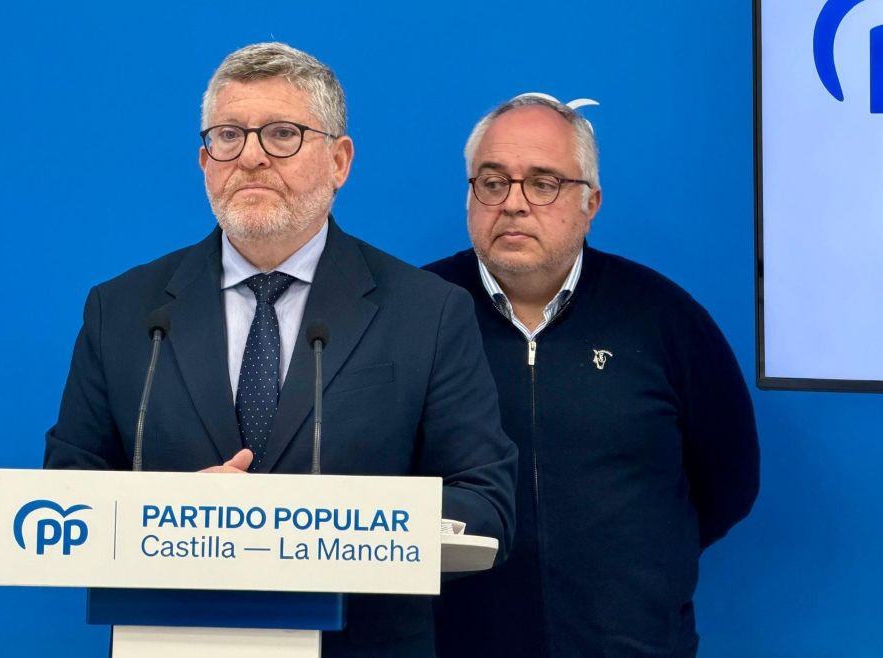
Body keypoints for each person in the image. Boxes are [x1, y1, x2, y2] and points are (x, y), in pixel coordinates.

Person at [43, 43, 517, 657]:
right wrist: (172, 516)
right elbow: (67, 490)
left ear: (340, 160)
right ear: (204, 160)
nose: (251, 158)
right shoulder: (124, 311)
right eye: (228, 137)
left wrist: (310, 526)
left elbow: (485, 505)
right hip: (172, 635)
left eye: (282, 135)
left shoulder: (426, 312)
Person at [426, 93, 760, 657]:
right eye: (492, 181)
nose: (514, 203)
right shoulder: (415, 315)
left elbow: (729, 482)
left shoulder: (663, 318)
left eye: (543, 182)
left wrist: (643, 569)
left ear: (591, 202)